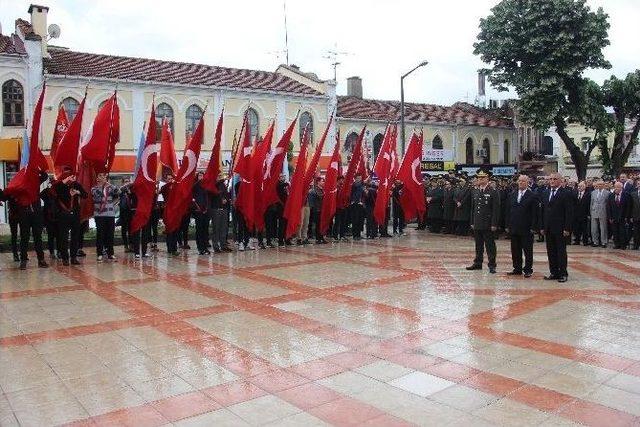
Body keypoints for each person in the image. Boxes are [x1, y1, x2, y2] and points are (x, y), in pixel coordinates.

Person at [540, 172, 573, 282]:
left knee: (561, 251)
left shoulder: (566, 193)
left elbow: (569, 212)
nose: (552, 181)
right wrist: (542, 226)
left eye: (554, 179)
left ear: (560, 180)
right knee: (551, 251)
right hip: (548, 228)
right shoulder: (545, 192)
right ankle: (553, 272)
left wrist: (567, 228)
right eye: (550, 179)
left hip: (560, 228)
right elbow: (543, 211)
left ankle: (563, 273)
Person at [466, 170, 500, 274]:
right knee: (478, 245)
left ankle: (492, 265)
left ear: (487, 179)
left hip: (488, 223)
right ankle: (478, 263)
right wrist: (472, 221)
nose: (480, 179)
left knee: (490, 245)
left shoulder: (493, 191)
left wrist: (494, 224)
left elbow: (496, 209)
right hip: (477, 222)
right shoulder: (475, 191)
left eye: (482, 178)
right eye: (479, 178)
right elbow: (473, 208)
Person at [504, 174, 538, 277]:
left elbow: (535, 213)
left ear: (528, 182)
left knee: (527, 250)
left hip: (527, 228)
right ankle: (517, 268)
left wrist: (533, 227)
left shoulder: (532, 195)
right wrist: (507, 225)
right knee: (515, 249)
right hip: (514, 227)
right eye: (519, 181)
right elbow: (508, 211)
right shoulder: (512, 194)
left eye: (523, 181)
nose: (521, 183)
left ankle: (528, 269)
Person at [53, 168, 87, 266]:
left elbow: (85, 195)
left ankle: (73, 257)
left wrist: (78, 192)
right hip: (63, 214)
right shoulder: (60, 185)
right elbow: (54, 190)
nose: (73, 178)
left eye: (74, 176)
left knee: (75, 236)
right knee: (63, 237)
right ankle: (65, 258)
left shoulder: (76, 185)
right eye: (70, 176)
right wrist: (64, 181)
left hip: (75, 214)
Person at [91, 172, 120, 261]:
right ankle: (99, 253)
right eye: (100, 176)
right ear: (97, 179)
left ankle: (110, 253)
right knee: (100, 234)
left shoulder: (110, 187)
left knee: (110, 235)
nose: (102, 177)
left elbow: (119, 192)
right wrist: (104, 186)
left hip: (110, 215)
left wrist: (109, 184)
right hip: (99, 215)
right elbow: (99, 195)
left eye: (103, 176)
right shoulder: (94, 189)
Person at [606, 181, 631, 249]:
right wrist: (610, 217)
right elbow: (609, 207)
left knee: (622, 231)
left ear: (621, 187)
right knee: (615, 231)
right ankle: (617, 244)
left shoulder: (626, 195)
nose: (616, 188)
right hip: (614, 217)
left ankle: (623, 245)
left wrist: (626, 216)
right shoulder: (611, 195)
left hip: (622, 217)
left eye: (618, 187)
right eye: (615, 187)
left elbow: (628, 207)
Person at [210, 173, 231, 253]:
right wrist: (222, 180)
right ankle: (216, 246)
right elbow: (213, 194)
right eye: (218, 176)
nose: (220, 177)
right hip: (216, 209)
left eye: (220, 176)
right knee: (216, 228)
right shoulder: (213, 184)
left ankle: (223, 245)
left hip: (224, 209)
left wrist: (226, 199)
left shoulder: (223, 184)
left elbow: (226, 194)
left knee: (224, 228)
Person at [160, 173, 179, 256]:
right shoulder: (165, 187)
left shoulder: (175, 186)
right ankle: (169, 248)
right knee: (169, 230)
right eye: (168, 179)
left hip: (175, 211)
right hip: (168, 211)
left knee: (175, 230)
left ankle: (174, 248)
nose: (170, 180)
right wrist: (170, 183)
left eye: (171, 178)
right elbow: (161, 190)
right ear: (166, 180)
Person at [192, 171, 211, 255]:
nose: (201, 177)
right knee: (199, 230)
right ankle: (200, 248)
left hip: (206, 211)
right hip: (198, 211)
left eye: (202, 175)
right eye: (199, 175)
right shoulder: (195, 185)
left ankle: (205, 247)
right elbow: (192, 188)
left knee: (205, 230)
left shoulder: (206, 186)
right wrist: (198, 181)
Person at [40, 177, 59, 259]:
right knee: (51, 236)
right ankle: (52, 252)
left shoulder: (59, 191)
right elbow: (41, 195)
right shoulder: (46, 192)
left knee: (59, 236)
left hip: (58, 216)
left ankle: (59, 251)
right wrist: (47, 188)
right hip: (49, 217)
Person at [590, 179, 609, 248]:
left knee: (603, 228)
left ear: (603, 185)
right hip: (594, 212)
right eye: (598, 185)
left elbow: (608, 204)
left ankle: (604, 242)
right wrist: (590, 212)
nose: (599, 186)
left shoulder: (607, 193)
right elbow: (591, 203)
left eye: (601, 184)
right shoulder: (593, 192)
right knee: (594, 228)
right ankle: (595, 241)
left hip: (603, 212)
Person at [573, 181, 591, 246]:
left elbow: (589, 205)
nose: (579, 187)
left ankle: (585, 241)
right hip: (576, 214)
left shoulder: (588, 194)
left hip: (584, 214)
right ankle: (577, 240)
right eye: (579, 186)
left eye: (581, 186)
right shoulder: (575, 193)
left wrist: (589, 214)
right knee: (577, 228)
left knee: (584, 229)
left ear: (585, 186)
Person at [308, 176, 326, 243]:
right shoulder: (314, 190)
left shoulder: (322, 189)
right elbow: (319, 196)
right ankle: (318, 238)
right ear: (318, 182)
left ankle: (321, 237)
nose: (323, 182)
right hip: (316, 209)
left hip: (321, 209)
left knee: (321, 224)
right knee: (317, 224)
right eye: (322, 181)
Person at [118, 177, 133, 253]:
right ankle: (125, 245)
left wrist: (129, 190)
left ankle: (131, 244)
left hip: (130, 212)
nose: (127, 183)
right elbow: (118, 194)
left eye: (128, 181)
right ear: (123, 183)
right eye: (125, 181)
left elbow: (133, 198)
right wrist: (124, 189)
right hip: (123, 212)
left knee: (130, 229)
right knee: (124, 229)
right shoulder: (121, 190)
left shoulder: (131, 190)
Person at [350, 174, 366, 240]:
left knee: (360, 220)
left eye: (360, 178)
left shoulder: (362, 185)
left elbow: (363, 194)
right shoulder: (354, 185)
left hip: (360, 204)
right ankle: (355, 235)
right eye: (358, 178)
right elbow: (357, 186)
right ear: (355, 179)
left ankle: (358, 234)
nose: (360, 179)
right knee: (355, 220)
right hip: (355, 204)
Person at [631, 178, 640, 250]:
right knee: (636, 232)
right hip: (635, 216)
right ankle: (635, 245)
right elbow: (631, 206)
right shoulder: (633, 194)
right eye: (638, 183)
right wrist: (630, 216)